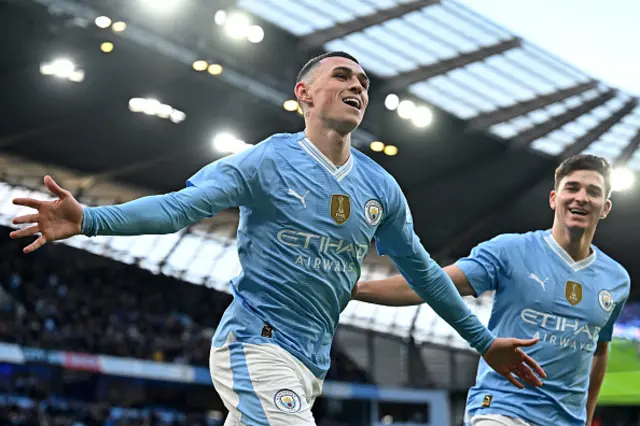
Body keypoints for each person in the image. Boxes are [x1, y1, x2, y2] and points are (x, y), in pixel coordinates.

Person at [9, 51, 545, 426]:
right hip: (256, 343)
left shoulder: (380, 187)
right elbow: (178, 208)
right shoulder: (266, 161)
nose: (359, 87)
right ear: (304, 94)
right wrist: (90, 220)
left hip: (311, 364)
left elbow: (424, 274)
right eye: (344, 77)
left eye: (364, 84)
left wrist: (483, 342)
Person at [352, 154, 630, 426]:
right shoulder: (510, 251)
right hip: (502, 409)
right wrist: (356, 289)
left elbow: (599, 350)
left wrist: (586, 416)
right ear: (554, 199)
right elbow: (431, 283)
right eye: (572, 188)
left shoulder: (616, 279)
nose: (581, 197)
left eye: (593, 192)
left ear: (605, 207)